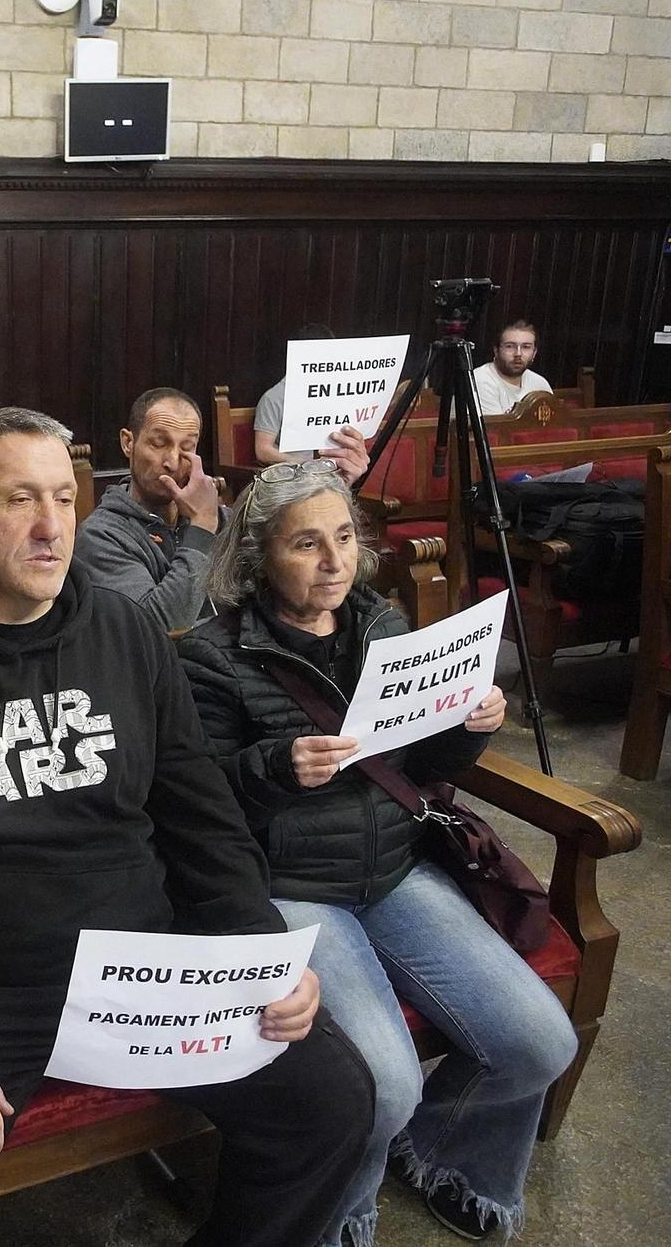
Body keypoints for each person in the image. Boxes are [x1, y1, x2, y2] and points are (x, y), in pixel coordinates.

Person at [0, 407, 375, 1247]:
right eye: (20, 499)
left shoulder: (126, 634)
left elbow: (202, 820)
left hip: (140, 964)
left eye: (64, 497)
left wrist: (256, 953)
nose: (51, 525)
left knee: (332, 1101)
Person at [178, 462, 574, 1246]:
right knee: (382, 1085)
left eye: (343, 539)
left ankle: (444, 1154)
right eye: (306, 544)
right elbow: (198, 804)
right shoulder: (211, 657)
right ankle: (341, 1211)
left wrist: (471, 722)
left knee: (540, 1041)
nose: (334, 561)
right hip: (291, 887)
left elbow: (423, 767)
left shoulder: (381, 626)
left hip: (396, 869)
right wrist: (276, 767)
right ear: (259, 558)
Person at [77, 387, 228, 629]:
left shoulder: (222, 519)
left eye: (187, 447)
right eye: (158, 443)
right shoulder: (100, 536)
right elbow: (157, 628)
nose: (172, 462)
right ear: (128, 443)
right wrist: (201, 529)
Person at [252, 323, 374, 476]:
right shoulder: (274, 398)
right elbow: (263, 450)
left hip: (333, 473)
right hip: (294, 476)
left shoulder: (335, 394)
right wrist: (305, 466)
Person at [469, 319, 551, 416]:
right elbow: (495, 429)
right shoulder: (480, 380)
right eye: (510, 346)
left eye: (526, 347)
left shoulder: (539, 383)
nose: (518, 354)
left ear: (534, 352)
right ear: (496, 350)